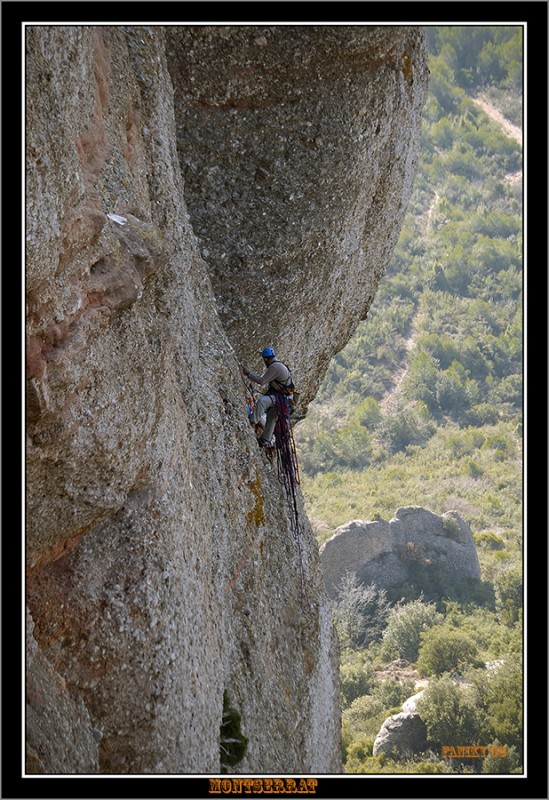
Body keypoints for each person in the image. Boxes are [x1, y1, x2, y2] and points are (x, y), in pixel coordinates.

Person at [240, 347, 293, 448]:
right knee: (272, 417)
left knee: (262, 402)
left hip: (280, 397)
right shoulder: (278, 364)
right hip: (284, 398)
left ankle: (252, 420)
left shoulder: (275, 367)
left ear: (265, 359)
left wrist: (249, 373)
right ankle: (265, 439)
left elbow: (262, 381)